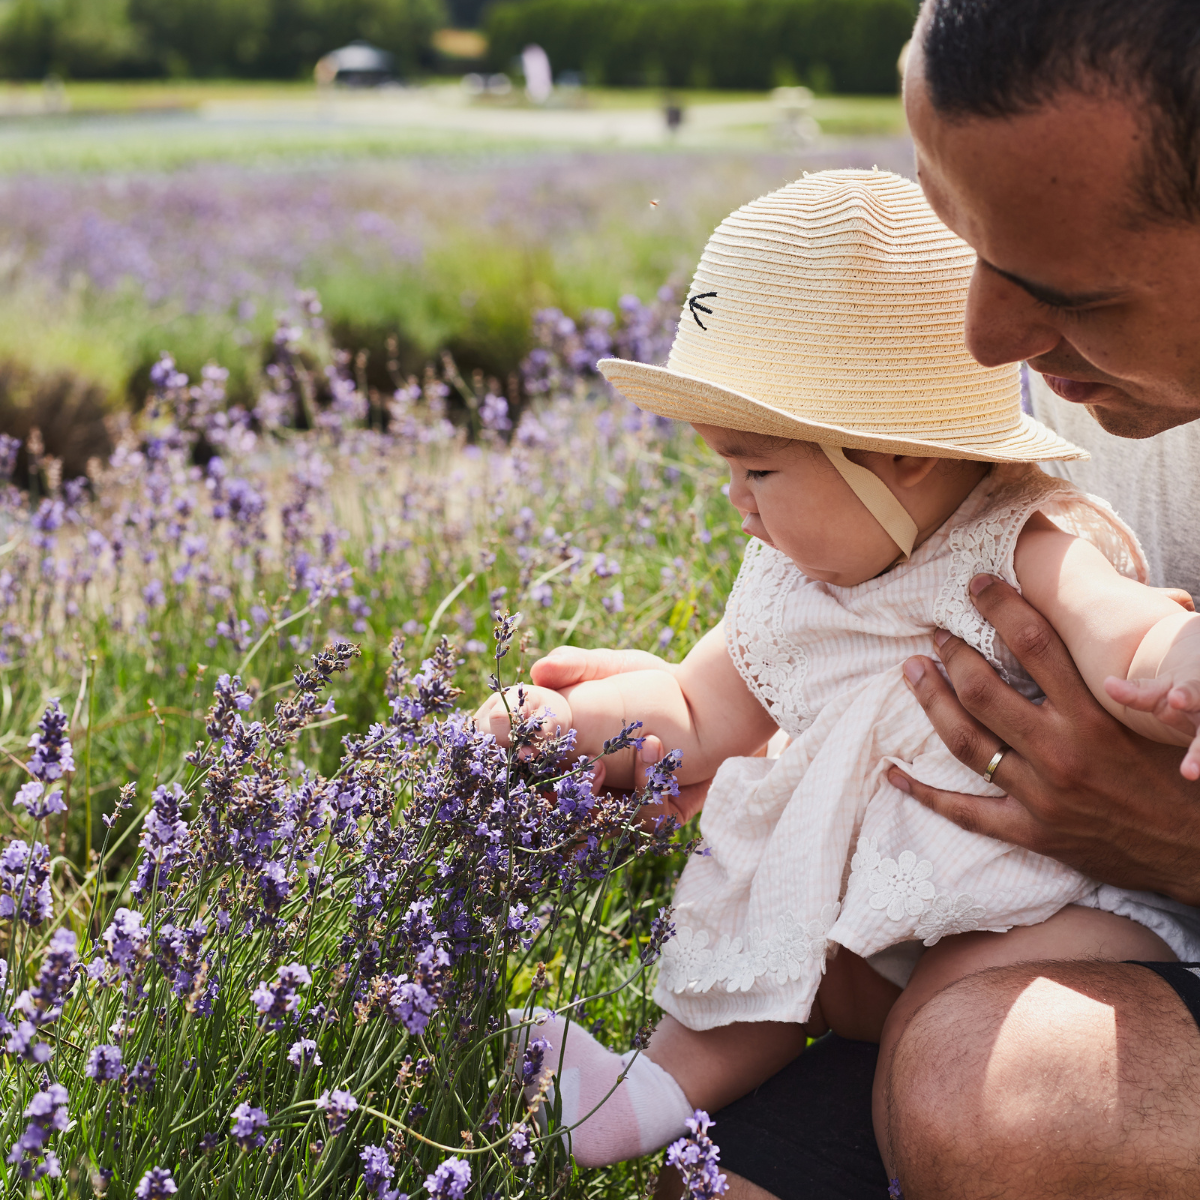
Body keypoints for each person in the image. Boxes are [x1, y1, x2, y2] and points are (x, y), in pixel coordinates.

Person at [537, 3, 1200, 1195]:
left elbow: (1124, 626)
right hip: (907, 949)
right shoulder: (1020, 383)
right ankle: (659, 1093)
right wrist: (632, 724)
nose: (982, 340)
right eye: (964, 237)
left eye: (1061, 287)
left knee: (999, 1095)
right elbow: (747, 675)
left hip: (1069, 930)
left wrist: (1178, 835)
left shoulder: (1022, 529)